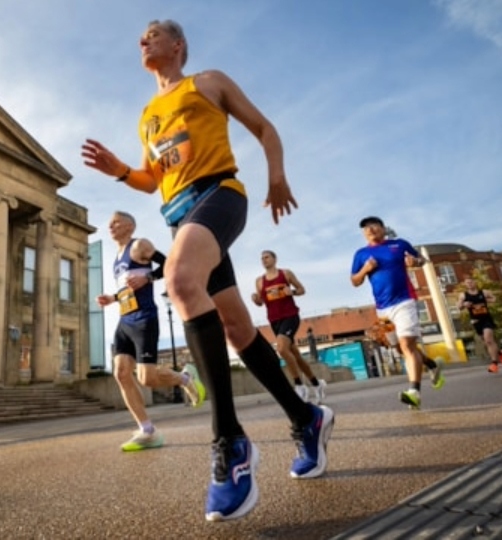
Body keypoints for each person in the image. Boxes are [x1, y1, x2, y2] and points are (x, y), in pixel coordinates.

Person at [82, 19, 333, 522]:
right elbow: (152, 182)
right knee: (238, 329)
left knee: (177, 280)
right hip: (182, 217)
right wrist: (119, 171)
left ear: (178, 45)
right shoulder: (147, 115)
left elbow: (264, 128)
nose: (142, 41)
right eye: (141, 37)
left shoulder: (208, 82)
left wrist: (277, 175)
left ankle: (230, 443)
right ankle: (306, 417)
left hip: (220, 196)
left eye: (153, 33)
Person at [95, 211, 206, 451]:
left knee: (148, 378)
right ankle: (147, 430)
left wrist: (149, 279)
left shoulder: (140, 245)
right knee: (121, 373)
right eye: (110, 222)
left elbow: (170, 264)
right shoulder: (116, 257)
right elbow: (129, 286)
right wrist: (112, 298)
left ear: (130, 225)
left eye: (116, 221)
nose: (110, 225)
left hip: (145, 318)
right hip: (124, 320)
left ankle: (186, 378)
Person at [350, 216, 444, 410]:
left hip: (405, 300)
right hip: (382, 308)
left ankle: (414, 392)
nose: (370, 229)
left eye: (374, 225)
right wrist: (365, 269)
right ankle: (431, 365)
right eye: (365, 228)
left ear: (383, 228)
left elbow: (422, 260)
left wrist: (414, 262)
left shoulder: (399, 245)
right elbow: (355, 281)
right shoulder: (361, 254)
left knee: (406, 344)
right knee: (399, 349)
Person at [250, 250, 325, 404]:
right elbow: (261, 302)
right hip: (274, 320)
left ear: (274, 259)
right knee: (295, 355)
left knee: (282, 349)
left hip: (290, 316)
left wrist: (291, 292)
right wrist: (255, 299)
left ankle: (299, 385)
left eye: (267, 257)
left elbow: (302, 290)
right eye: (262, 258)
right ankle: (317, 385)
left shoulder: (286, 274)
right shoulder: (259, 281)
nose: (264, 260)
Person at [460, 277, 502, 373]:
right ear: (465, 285)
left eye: (471, 282)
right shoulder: (463, 295)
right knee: (487, 342)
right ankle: (500, 353)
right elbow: (458, 306)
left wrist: (487, 300)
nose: (469, 284)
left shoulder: (484, 292)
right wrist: (464, 305)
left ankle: (494, 364)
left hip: (486, 319)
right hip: (475, 321)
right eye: (467, 283)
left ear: (475, 283)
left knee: (488, 340)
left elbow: (494, 298)